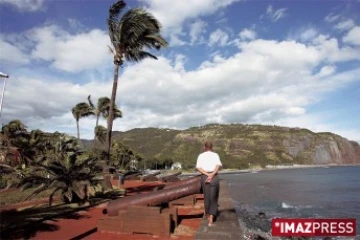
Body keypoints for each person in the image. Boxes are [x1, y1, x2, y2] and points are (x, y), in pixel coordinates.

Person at [196, 141, 222, 227]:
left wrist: (207, 174)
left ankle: (207, 215)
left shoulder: (201, 156)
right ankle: (211, 219)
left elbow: (198, 168)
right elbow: (218, 166)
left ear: (205, 147)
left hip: (204, 177)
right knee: (214, 197)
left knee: (206, 197)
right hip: (214, 177)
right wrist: (212, 174)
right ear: (212, 147)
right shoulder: (215, 155)